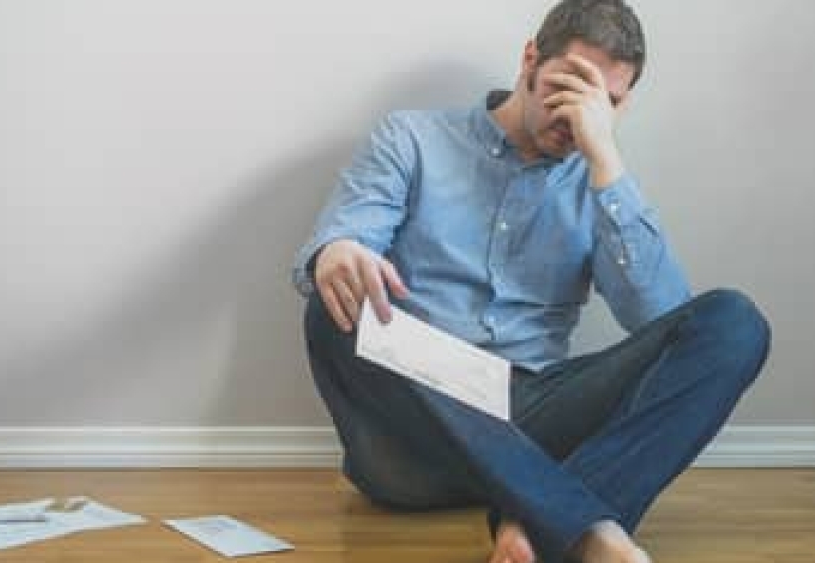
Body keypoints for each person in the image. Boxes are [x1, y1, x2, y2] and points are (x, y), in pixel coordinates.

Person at [290, 1, 771, 562]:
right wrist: (340, 250)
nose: (574, 117)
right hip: (416, 439)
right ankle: (583, 526)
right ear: (529, 60)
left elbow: (663, 321)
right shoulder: (413, 139)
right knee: (335, 309)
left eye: (604, 102)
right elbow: (346, 242)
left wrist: (606, 163)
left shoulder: (599, 182)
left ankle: (537, 523)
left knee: (734, 323)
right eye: (566, 88)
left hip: (537, 416)